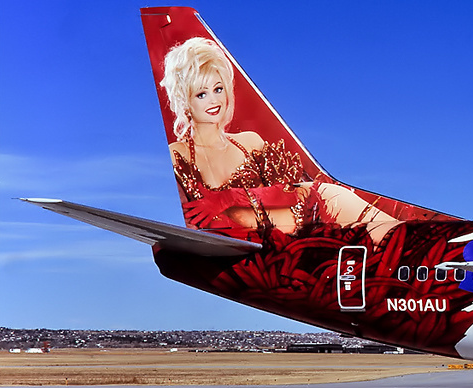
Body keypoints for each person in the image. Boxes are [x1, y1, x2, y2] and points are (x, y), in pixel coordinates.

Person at [161, 37, 394, 243]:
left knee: (399, 237)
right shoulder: (178, 154)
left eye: (218, 89)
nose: (214, 100)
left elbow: (291, 191)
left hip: (312, 214)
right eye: (201, 94)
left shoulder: (248, 142)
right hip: (262, 240)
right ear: (184, 100)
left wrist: (229, 197)